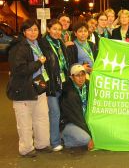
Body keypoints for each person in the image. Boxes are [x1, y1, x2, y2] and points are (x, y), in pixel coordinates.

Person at [6, 19, 51, 157]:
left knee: (42, 117)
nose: (33, 32)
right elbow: (19, 70)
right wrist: (38, 63)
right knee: (25, 121)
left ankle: (42, 144)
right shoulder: (18, 47)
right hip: (23, 88)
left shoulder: (38, 44)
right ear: (24, 32)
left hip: (38, 85)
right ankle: (26, 149)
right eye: (30, 30)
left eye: (35, 30)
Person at [39, 19, 70, 152]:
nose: (57, 32)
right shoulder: (43, 44)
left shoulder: (60, 43)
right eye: (54, 29)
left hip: (60, 82)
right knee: (55, 112)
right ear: (48, 29)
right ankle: (54, 141)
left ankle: (54, 136)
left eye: (59, 29)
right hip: (50, 84)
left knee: (58, 112)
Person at [60, 64, 92, 148]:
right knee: (86, 139)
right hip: (70, 122)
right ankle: (64, 141)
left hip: (82, 120)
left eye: (83, 75)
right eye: (77, 75)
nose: (81, 78)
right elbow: (77, 117)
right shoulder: (70, 93)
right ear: (72, 77)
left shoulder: (89, 86)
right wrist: (91, 136)